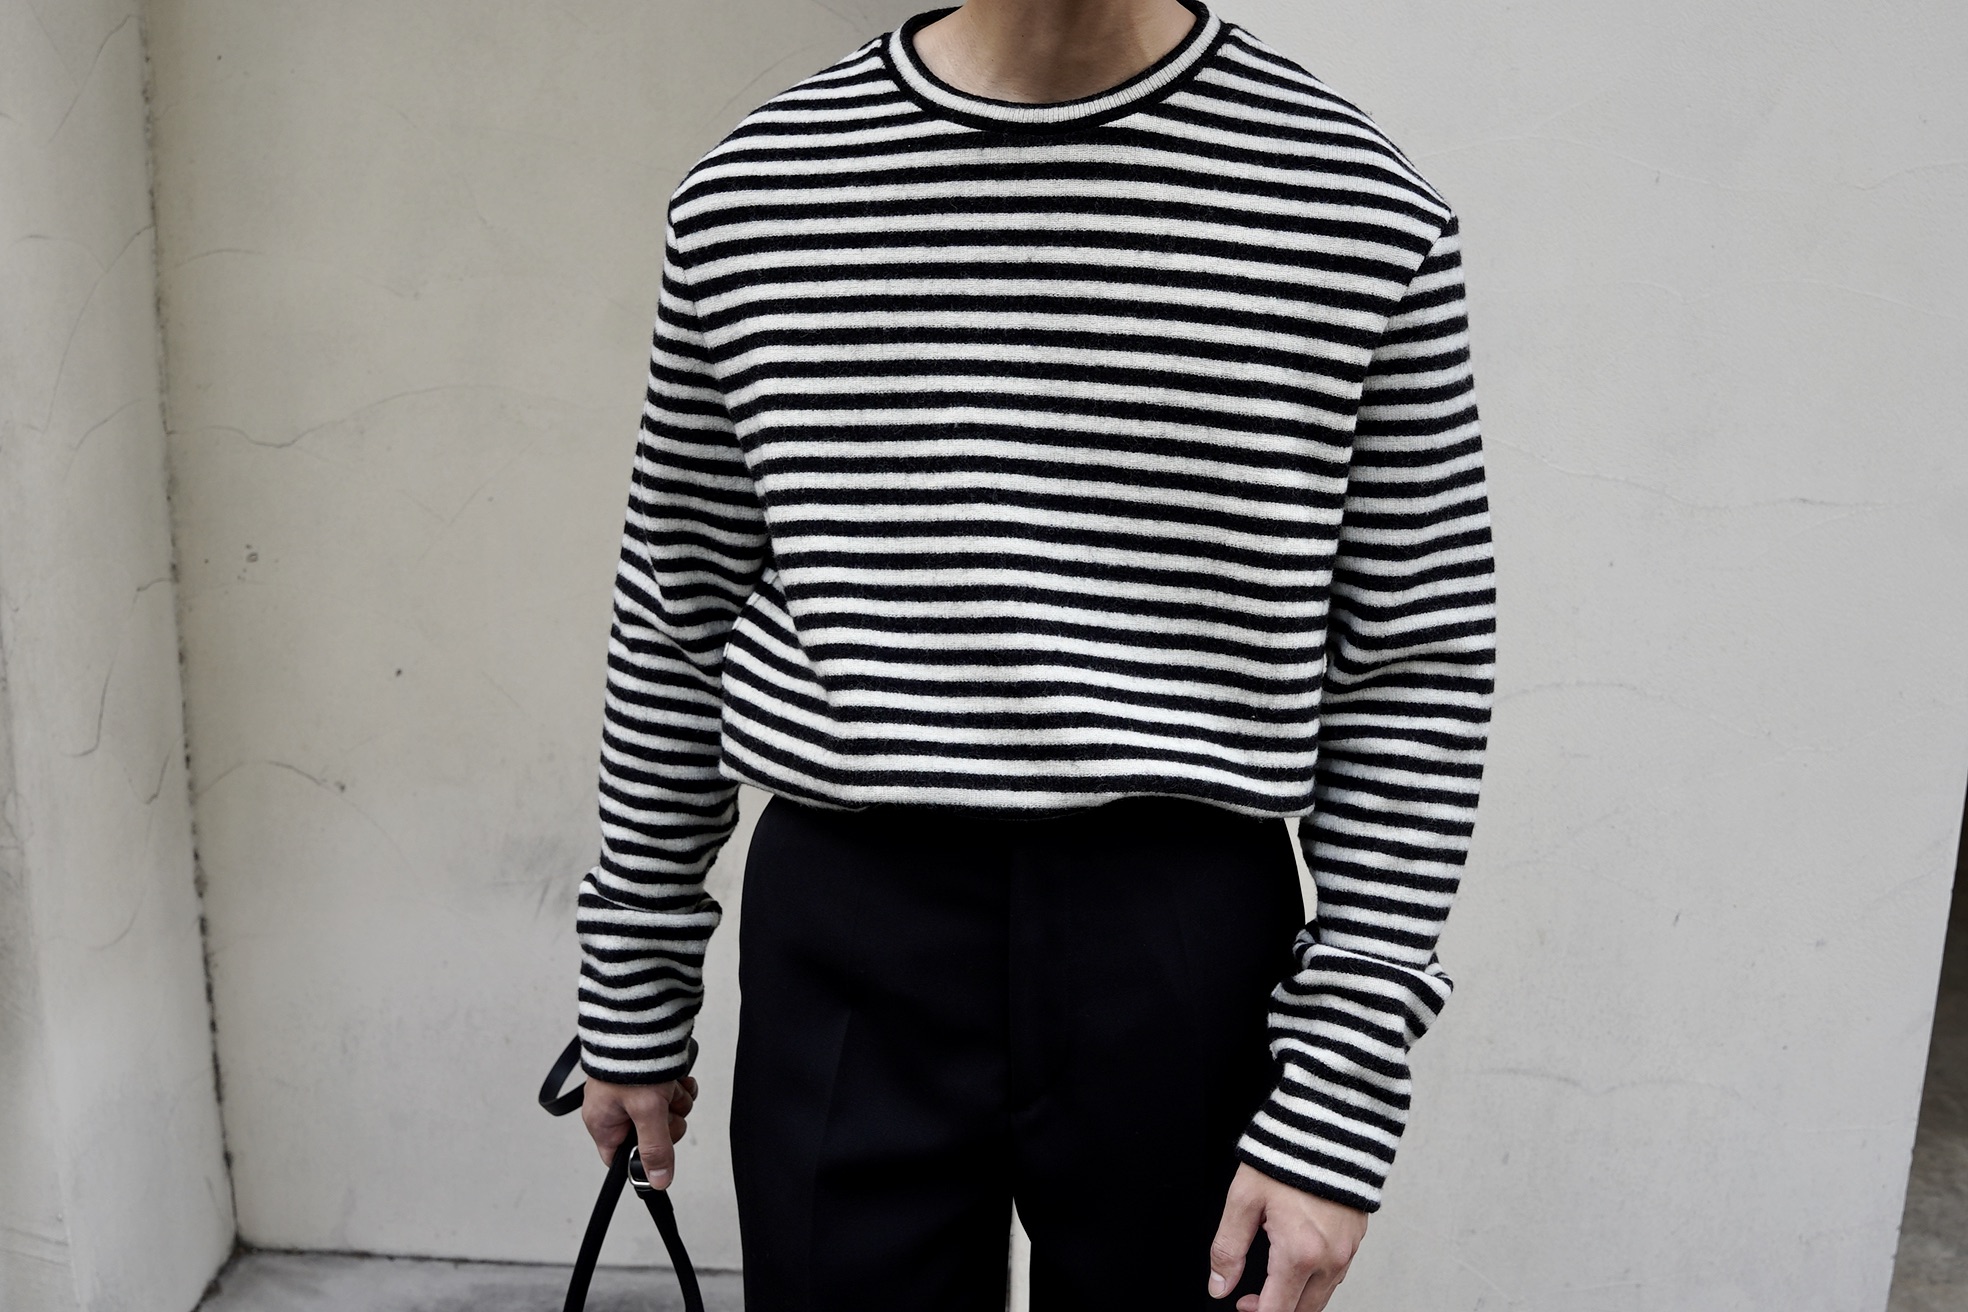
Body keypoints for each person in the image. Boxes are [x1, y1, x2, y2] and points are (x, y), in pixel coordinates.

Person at [573, 1, 1497, 1308]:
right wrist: (634, 977)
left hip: (1182, 928)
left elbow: (1415, 668)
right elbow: (678, 609)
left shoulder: (1354, 206)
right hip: (850, 912)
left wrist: (1339, 1091)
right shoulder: (759, 195)